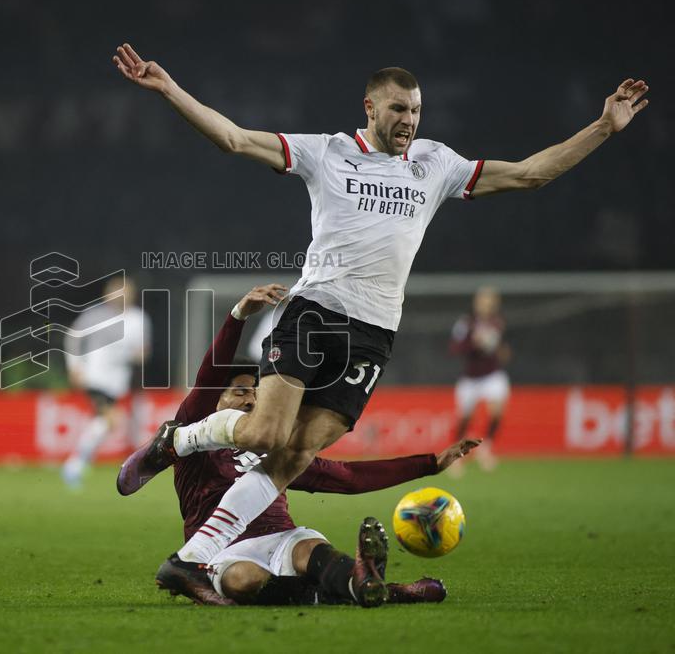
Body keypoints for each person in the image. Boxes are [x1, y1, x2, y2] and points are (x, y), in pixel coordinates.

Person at [112, 42, 649, 589]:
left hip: (373, 334)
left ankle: (191, 558)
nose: (409, 121)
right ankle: (175, 442)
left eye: (416, 110)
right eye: (398, 109)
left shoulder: (436, 164)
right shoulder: (326, 152)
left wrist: (604, 125)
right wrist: (169, 88)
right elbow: (234, 138)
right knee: (265, 433)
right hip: (315, 313)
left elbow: (531, 174)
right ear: (369, 107)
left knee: (296, 454)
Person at [118, 284, 480, 605]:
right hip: (221, 550)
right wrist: (237, 316)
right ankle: (382, 590)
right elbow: (208, 376)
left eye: (255, 394)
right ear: (216, 400)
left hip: (282, 538)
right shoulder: (200, 428)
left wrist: (430, 463)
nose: (249, 401)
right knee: (244, 579)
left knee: (312, 550)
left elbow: (347, 478)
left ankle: (361, 581)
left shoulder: (279, 451)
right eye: (240, 391)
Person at [62, 275, 150, 488]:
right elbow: (72, 337)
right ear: (108, 294)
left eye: (125, 291)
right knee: (111, 418)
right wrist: (74, 365)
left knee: (104, 422)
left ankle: (77, 464)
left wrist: (133, 355)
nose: (121, 295)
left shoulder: (139, 319)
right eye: (116, 290)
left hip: (117, 382)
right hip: (95, 377)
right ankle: (74, 466)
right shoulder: (95, 315)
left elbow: (143, 353)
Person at [449, 286, 510, 474]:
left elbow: (502, 350)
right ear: (476, 303)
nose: (486, 305)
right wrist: (473, 343)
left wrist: (502, 351)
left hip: (491, 374)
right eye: (483, 301)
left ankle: (486, 447)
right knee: (466, 418)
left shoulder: (497, 323)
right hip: (470, 377)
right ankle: (455, 456)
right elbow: (455, 348)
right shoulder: (466, 323)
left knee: (497, 410)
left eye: (489, 302)